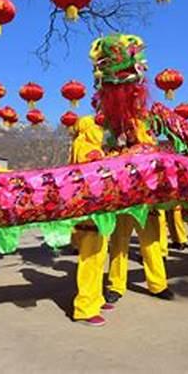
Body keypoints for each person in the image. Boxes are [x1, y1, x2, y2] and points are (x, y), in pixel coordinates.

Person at [106, 119, 173, 304]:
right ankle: (116, 286)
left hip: (145, 205)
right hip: (123, 206)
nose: (127, 133)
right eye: (124, 130)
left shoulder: (150, 151)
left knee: (151, 244)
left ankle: (158, 285)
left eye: (130, 130)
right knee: (119, 245)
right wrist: (117, 151)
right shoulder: (114, 152)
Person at [67, 116, 114, 327]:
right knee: (89, 260)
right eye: (97, 126)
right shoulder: (84, 146)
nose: (100, 130)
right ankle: (84, 308)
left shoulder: (93, 147)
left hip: (100, 211)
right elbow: (93, 175)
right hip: (89, 212)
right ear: (87, 129)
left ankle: (96, 298)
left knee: (99, 256)